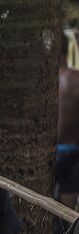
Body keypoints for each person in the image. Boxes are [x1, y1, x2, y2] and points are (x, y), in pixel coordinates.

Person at [57, 51, 79, 209]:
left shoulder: (39, 83)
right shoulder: (75, 79)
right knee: (68, 213)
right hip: (71, 152)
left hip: (44, 154)